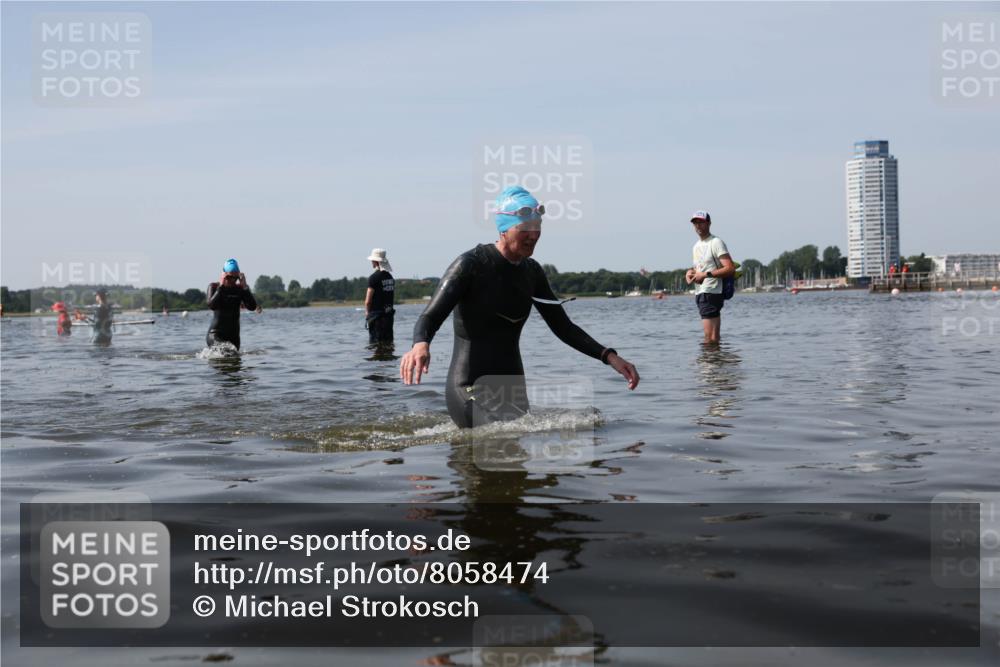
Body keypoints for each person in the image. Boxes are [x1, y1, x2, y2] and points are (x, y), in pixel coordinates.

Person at [399, 185, 639, 428]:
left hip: (511, 390)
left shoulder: (532, 272)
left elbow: (563, 327)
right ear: (503, 229)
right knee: (491, 441)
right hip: (467, 386)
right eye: (525, 229)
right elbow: (430, 316)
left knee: (522, 450)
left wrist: (609, 357)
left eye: (537, 228)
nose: (533, 235)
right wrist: (420, 344)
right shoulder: (470, 265)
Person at [685, 210, 736, 344]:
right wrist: (690, 272)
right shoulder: (696, 246)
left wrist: (706, 275)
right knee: (710, 337)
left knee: (710, 338)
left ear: (709, 223)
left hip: (712, 292)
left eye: (701, 222)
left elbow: (730, 268)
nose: (698, 225)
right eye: (695, 223)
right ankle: (713, 361)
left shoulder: (716, 242)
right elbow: (700, 268)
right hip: (701, 292)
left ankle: (710, 363)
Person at [206, 258, 257, 350]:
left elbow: (252, 307)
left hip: (234, 337)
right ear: (223, 275)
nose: (232, 281)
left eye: (235, 278)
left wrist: (245, 287)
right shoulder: (214, 286)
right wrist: (221, 287)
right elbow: (211, 306)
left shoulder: (240, 289)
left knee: (234, 359)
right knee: (228, 351)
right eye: (229, 278)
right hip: (215, 334)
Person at [365, 248, 395, 345]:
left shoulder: (373, 278)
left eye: (372, 260)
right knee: (388, 343)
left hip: (376, 317)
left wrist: (367, 313)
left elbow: (368, 301)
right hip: (389, 317)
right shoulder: (390, 277)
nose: (371, 262)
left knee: (376, 344)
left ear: (376, 261)